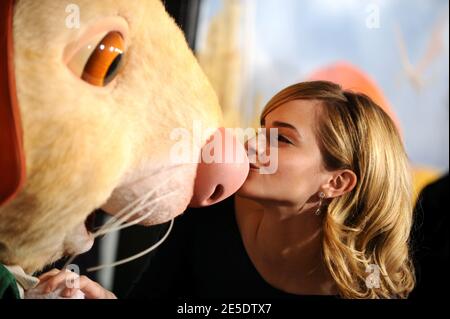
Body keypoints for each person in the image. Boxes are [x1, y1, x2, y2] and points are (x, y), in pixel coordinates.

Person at [40, 81, 416, 299]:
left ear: (337, 182)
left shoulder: (366, 288)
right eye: (262, 128)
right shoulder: (210, 211)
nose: (252, 144)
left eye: (281, 139)